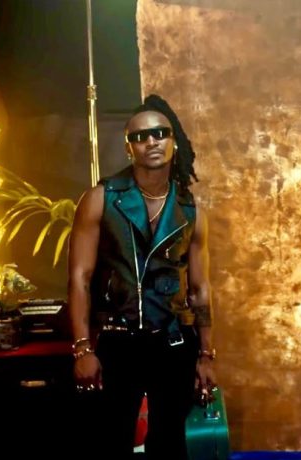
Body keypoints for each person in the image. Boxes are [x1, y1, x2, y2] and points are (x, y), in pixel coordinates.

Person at [68, 94, 216, 459]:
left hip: (173, 341)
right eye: (140, 136)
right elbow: (79, 278)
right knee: (110, 442)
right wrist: (83, 348)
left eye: (160, 133)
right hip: (118, 341)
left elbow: (199, 289)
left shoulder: (190, 210)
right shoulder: (101, 198)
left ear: (173, 141)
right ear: (128, 147)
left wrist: (206, 354)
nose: (151, 141)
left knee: (169, 445)